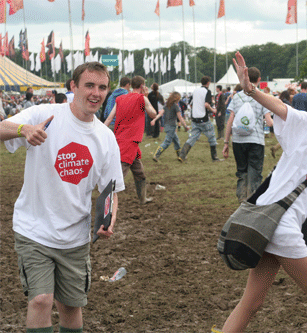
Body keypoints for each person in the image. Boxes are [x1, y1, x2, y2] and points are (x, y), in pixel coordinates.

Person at [0, 62, 125, 333]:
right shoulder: (45, 114)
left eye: (102, 87)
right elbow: (2, 129)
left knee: (70, 306)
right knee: (41, 300)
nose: (96, 93)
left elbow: (110, 192)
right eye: (89, 85)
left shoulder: (106, 138)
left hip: (75, 238)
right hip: (34, 229)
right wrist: (24, 130)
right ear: (73, 86)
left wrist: (108, 220)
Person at [218, 51, 307, 333]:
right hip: (279, 224)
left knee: (253, 300)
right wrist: (251, 90)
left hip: (264, 222)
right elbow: (280, 107)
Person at [104, 75, 158, 204]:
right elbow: (154, 114)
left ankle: (143, 199)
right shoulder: (142, 98)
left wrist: (100, 132)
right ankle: (107, 201)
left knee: (139, 172)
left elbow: (109, 118)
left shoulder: (120, 99)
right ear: (142, 86)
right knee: (119, 174)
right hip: (130, 141)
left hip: (123, 139)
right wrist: (146, 97)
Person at [222, 66, 273, 202]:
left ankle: (241, 202)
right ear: (259, 80)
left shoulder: (237, 97)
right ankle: (251, 204)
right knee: (255, 174)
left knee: (242, 173)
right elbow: (269, 122)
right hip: (256, 141)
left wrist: (226, 142)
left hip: (238, 140)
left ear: (246, 78)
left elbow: (230, 120)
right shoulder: (263, 97)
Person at [177, 76, 221, 162]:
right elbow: (206, 105)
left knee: (192, 138)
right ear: (208, 83)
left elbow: (190, 104)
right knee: (212, 137)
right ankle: (214, 157)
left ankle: (182, 155)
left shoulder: (195, 91)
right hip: (204, 119)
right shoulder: (207, 91)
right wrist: (213, 110)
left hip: (195, 119)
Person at [153, 91, 190, 162]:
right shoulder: (176, 106)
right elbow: (180, 117)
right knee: (167, 142)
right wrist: (185, 126)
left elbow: (160, 114)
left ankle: (180, 155)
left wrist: (154, 120)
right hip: (171, 127)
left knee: (176, 141)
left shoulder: (167, 105)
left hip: (166, 126)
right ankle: (156, 155)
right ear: (177, 99)